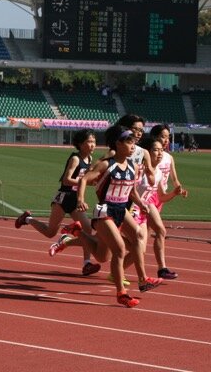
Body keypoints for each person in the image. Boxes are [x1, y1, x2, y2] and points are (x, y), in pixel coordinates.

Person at [76, 125, 163, 308]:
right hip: (104, 209)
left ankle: (142, 280)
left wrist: (140, 204)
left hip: (122, 209)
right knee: (120, 249)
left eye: (134, 142)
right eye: (129, 142)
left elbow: (131, 191)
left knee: (111, 251)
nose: (133, 146)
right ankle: (121, 293)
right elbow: (84, 179)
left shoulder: (132, 166)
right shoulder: (107, 164)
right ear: (118, 143)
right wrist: (81, 199)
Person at [14, 129, 101, 276]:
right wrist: (84, 182)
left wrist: (90, 183)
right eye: (89, 142)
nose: (92, 145)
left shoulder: (90, 159)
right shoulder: (75, 159)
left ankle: (87, 264)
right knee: (50, 232)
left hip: (76, 199)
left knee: (87, 230)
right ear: (80, 144)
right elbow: (66, 180)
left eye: (94, 141)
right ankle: (27, 219)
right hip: (63, 198)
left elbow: (84, 182)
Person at [129, 136, 188, 280]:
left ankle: (119, 273)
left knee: (142, 247)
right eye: (156, 150)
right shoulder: (140, 170)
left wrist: (174, 193)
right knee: (104, 250)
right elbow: (130, 192)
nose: (160, 153)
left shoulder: (159, 173)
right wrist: (138, 205)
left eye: (162, 150)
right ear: (147, 152)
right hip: (131, 210)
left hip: (144, 210)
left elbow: (161, 197)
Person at [149, 124, 187, 279]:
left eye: (168, 137)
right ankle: (162, 268)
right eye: (163, 136)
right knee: (160, 231)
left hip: (160, 198)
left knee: (140, 238)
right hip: (149, 196)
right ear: (155, 137)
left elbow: (175, 179)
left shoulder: (169, 158)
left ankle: (117, 268)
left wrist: (179, 189)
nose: (166, 140)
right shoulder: (149, 155)